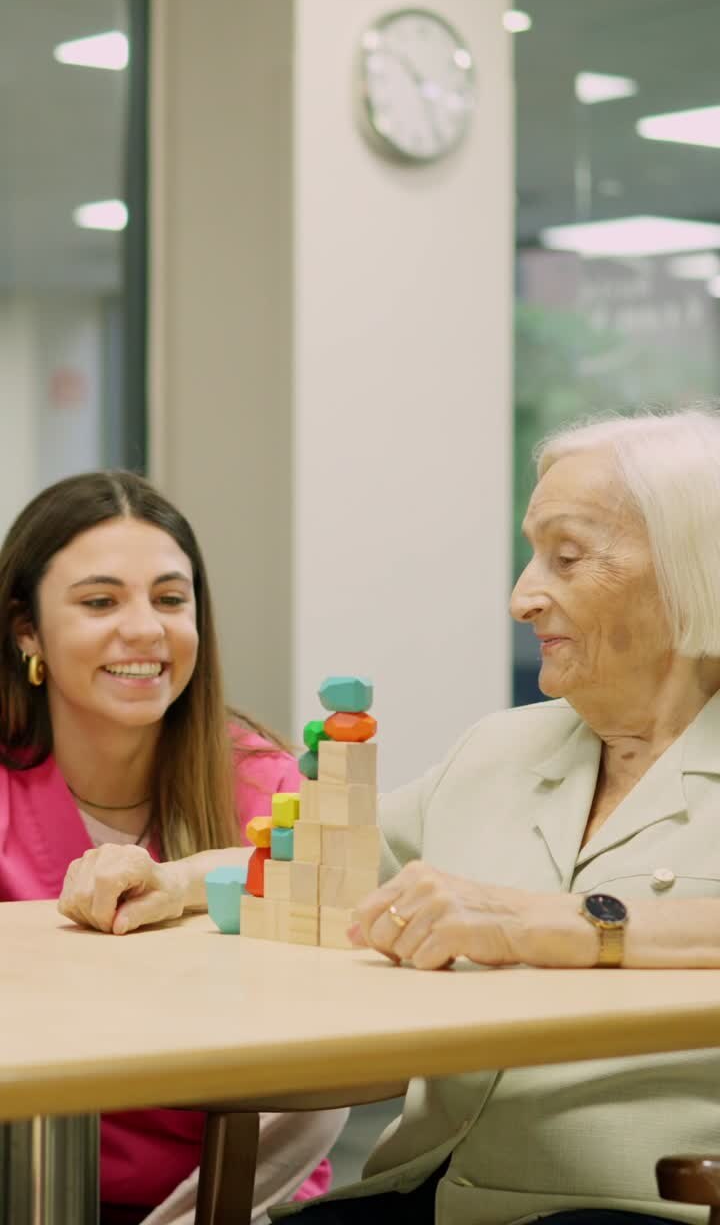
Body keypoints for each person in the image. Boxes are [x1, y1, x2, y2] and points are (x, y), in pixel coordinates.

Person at [59, 408, 720, 1225]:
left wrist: (560, 925)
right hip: (429, 1192)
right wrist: (169, 878)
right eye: (530, 554)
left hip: (632, 1204)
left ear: (692, 571)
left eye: (568, 558)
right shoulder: (500, 750)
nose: (522, 597)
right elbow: (322, 861)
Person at [0, 470, 345, 1225]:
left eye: (169, 599)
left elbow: (333, 920)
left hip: (234, 1197)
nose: (146, 630)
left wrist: (184, 879)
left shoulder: (265, 781)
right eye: (99, 602)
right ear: (27, 630)